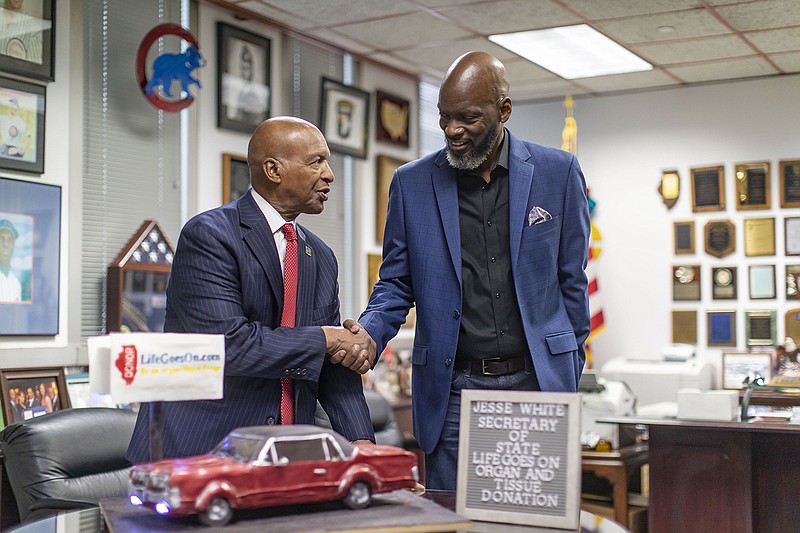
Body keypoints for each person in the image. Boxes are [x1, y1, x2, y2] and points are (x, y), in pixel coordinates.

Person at [355, 51, 591, 490]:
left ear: (503, 110)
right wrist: (369, 334)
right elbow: (395, 282)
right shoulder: (413, 182)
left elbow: (571, 279)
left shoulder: (557, 173)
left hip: (536, 385)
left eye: (467, 117)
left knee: (530, 522)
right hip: (454, 391)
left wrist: (569, 358)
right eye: (445, 117)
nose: (452, 130)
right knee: (454, 518)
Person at [127, 117, 376, 463]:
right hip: (200, 452)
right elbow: (230, 344)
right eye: (317, 161)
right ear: (274, 170)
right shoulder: (210, 236)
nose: (329, 174)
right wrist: (329, 338)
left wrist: (361, 441)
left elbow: (330, 366)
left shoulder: (320, 256)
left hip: (286, 456)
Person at [0, 218, 22, 302]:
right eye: (1, 238)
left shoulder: (16, 284)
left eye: (10, 240)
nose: (6, 244)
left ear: (13, 246)